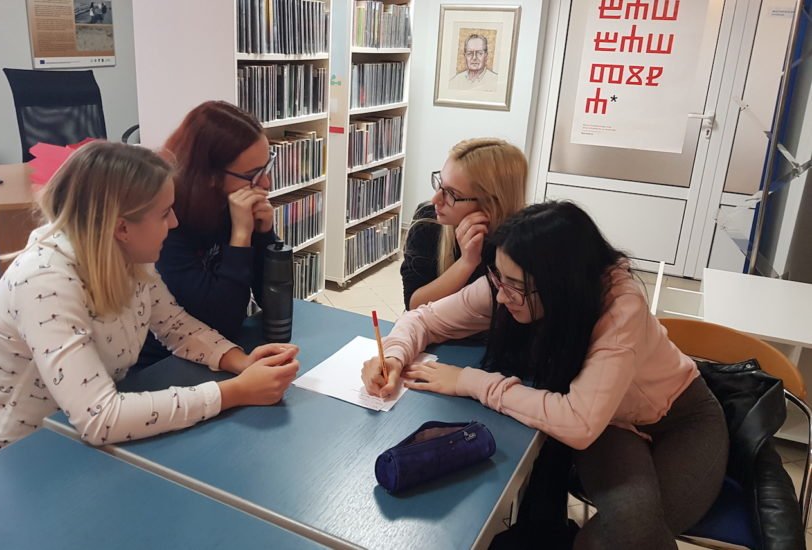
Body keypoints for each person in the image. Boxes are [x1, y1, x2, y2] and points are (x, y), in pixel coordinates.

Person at [363, 201, 728, 549]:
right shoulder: (507, 281)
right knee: (630, 531)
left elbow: (578, 421)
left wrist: (468, 381)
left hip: (681, 420)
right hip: (610, 424)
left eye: (514, 285)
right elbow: (423, 318)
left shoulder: (620, 306)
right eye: (497, 277)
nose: (500, 295)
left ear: (560, 285)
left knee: (627, 536)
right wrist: (393, 356)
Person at [0, 141, 299, 476]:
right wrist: (235, 392)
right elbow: (101, 417)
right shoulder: (45, 283)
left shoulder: (128, 259)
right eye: (164, 213)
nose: (174, 223)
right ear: (122, 227)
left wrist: (241, 362)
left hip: (61, 438)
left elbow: (176, 326)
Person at [137, 101, 279, 368]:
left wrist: (264, 235)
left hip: (217, 352)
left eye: (267, 167)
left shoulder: (230, 204)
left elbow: (276, 306)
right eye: (253, 174)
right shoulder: (166, 223)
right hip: (162, 364)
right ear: (209, 176)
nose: (266, 183)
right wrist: (241, 237)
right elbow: (221, 322)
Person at [401, 138, 526, 310]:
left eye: (452, 194)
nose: (436, 199)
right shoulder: (428, 221)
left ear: (491, 204)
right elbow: (415, 305)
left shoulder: (522, 240)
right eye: (440, 183)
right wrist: (466, 262)